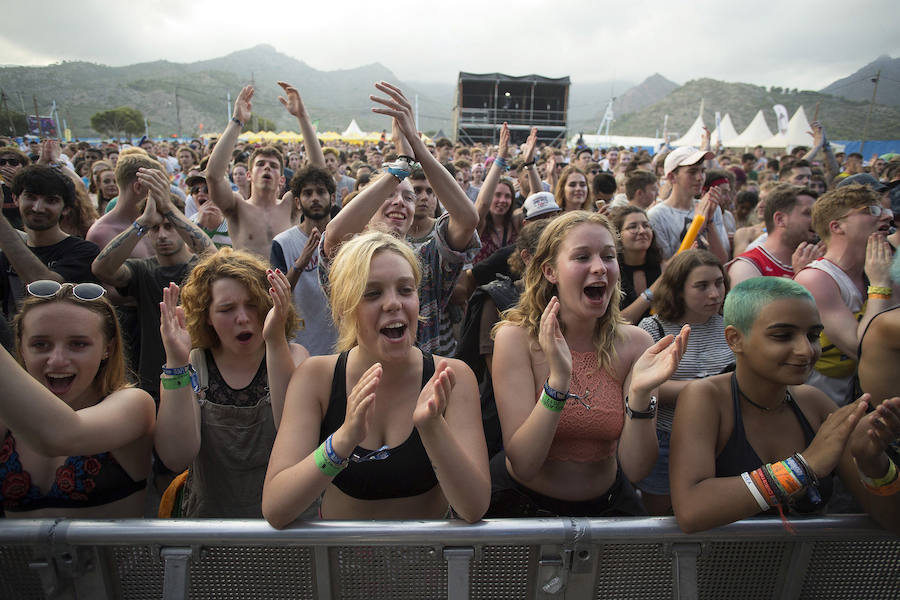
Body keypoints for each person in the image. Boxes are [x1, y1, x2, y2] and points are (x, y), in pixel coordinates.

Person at [263, 231, 490, 526]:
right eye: (372, 293)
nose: (393, 303)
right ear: (345, 307)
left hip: (427, 565)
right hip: (341, 566)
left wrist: (433, 428)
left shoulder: (452, 377)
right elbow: (276, 508)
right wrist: (342, 442)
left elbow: (473, 508)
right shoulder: (315, 378)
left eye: (406, 290)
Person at [488, 211, 690, 517]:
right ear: (550, 271)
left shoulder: (636, 344)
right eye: (582, 257)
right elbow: (525, 463)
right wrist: (558, 382)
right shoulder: (515, 339)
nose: (599, 268)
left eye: (608, 257)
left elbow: (635, 469)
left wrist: (639, 397)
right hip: (522, 507)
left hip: (607, 509)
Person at [670, 277, 900, 534]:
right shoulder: (705, 398)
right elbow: (691, 510)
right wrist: (804, 466)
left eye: (813, 335)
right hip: (722, 573)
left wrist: (873, 463)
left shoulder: (815, 404)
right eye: (782, 336)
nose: (806, 350)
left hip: (807, 572)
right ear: (735, 339)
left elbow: (892, 519)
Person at [319, 82, 480, 355]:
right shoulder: (351, 262)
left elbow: (467, 219)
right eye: (388, 193)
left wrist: (417, 146)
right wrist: (399, 167)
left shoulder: (426, 260)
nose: (399, 201)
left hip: (423, 383)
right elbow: (334, 235)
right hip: (364, 378)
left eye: (408, 197)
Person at [155, 249, 308, 517]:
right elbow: (176, 456)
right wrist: (176, 363)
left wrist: (274, 341)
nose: (243, 318)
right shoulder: (192, 365)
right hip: (213, 530)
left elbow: (294, 436)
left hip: (285, 525)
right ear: (207, 318)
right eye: (227, 309)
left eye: (253, 304)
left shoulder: (295, 356)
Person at [0, 280, 155, 517]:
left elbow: (61, 437)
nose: (57, 360)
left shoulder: (134, 404)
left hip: (112, 556)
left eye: (78, 344)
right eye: (40, 344)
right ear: (21, 348)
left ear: (108, 349)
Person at [91, 167, 214, 400]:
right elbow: (101, 269)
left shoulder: (201, 268)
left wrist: (168, 208)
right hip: (155, 382)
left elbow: (213, 256)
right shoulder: (141, 270)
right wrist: (143, 222)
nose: (163, 235)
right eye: (155, 229)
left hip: (204, 377)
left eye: (169, 226)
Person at [634, 249, 734, 514]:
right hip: (666, 439)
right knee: (661, 516)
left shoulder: (730, 326)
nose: (714, 293)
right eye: (702, 286)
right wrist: (709, 387)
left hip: (719, 437)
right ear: (678, 290)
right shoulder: (653, 329)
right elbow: (646, 387)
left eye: (719, 283)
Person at [793, 184, 896, 405]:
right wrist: (879, 286)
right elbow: (862, 349)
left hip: (868, 410)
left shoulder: (883, 268)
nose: (886, 217)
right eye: (871, 211)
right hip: (822, 413)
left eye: (885, 210)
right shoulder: (815, 278)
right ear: (837, 226)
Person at [206, 82, 325, 258]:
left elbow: (319, 174)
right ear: (249, 175)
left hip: (286, 283)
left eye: (274, 166)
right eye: (260, 164)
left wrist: (302, 117)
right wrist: (236, 121)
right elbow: (213, 176)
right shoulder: (237, 206)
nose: (267, 167)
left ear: (282, 179)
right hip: (249, 283)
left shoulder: (290, 205)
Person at [0, 165, 100, 321]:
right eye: (31, 197)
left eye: (51, 200)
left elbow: (46, 287)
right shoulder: (4, 257)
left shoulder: (84, 252)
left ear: (66, 208)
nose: (38, 208)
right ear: (15, 199)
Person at [270, 165, 338, 357]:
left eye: (321, 192)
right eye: (308, 193)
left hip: (341, 346)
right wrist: (301, 262)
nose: (315, 198)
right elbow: (276, 296)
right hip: (300, 348)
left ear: (332, 198)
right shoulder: (282, 243)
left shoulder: (348, 238)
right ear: (298, 203)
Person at [727, 184, 823, 287]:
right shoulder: (748, 266)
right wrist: (802, 277)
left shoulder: (818, 260)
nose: (817, 220)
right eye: (808, 213)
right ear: (780, 219)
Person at [648, 147, 729, 263]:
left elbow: (722, 260)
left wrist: (710, 222)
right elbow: (667, 270)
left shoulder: (711, 208)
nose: (700, 178)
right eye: (692, 172)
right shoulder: (657, 216)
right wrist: (697, 224)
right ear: (672, 177)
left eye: (702, 171)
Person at [472, 123, 531, 265]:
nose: (502, 200)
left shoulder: (516, 222)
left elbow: (536, 195)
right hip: (480, 285)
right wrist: (500, 158)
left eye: (507, 196)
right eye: (497, 195)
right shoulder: (480, 225)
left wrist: (530, 164)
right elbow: (482, 203)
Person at [612, 206, 664, 324]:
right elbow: (619, 322)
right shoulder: (612, 271)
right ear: (618, 235)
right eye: (632, 227)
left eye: (646, 225)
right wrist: (652, 291)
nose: (642, 231)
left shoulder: (662, 267)